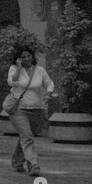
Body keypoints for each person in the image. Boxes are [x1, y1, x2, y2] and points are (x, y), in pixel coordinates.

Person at [7, 47, 55, 177]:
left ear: (32, 57)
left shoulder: (40, 70)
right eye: (23, 57)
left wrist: (48, 94)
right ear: (18, 59)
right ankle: (34, 164)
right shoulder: (14, 69)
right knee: (27, 137)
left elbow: (49, 83)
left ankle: (17, 161)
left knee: (25, 136)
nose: (26, 59)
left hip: (36, 110)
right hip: (18, 109)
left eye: (28, 56)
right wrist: (17, 67)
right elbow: (12, 82)